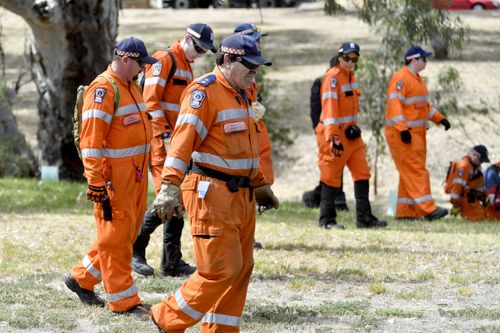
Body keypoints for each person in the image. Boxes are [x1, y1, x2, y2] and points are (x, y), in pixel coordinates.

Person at [148, 33, 279, 332]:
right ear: (229, 60)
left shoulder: (242, 93)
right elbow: (182, 141)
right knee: (220, 270)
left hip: (241, 196)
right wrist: (169, 185)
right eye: (249, 65)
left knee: (242, 268)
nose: (255, 72)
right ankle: (166, 317)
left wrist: (259, 184)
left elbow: (244, 147)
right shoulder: (204, 92)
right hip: (212, 194)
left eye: (257, 66)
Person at [64, 37, 156, 316]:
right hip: (113, 180)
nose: (142, 69)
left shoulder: (131, 86)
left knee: (121, 236)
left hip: (135, 177)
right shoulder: (103, 89)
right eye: (139, 63)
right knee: (116, 240)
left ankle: (81, 278)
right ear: (125, 59)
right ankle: (124, 302)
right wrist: (95, 181)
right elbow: (91, 141)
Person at [132, 23, 217, 278]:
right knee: (167, 197)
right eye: (199, 48)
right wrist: (165, 135)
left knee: (179, 199)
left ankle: (171, 261)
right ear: (187, 39)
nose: (200, 54)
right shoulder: (164, 59)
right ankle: (135, 248)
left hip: (178, 143)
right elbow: (150, 101)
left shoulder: (186, 66)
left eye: (205, 52)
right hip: (163, 142)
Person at [317, 42, 387, 229]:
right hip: (334, 134)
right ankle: (327, 220)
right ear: (340, 58)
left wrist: (352, 127)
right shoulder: (332, 78)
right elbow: (330, 110)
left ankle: (364, 218)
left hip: (351, 134)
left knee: (362, 172)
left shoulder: (351, 76)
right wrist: (334, 138)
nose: (349, 62)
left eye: (354, 59)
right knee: (330, 176)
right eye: (346, 58)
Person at [385, 45, 451, 221]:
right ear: (414, 60)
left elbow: (422, 107)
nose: (426, 61)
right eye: (424, 58)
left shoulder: (417, 80)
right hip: (404, 135)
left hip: (417, 134)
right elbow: (395, 106)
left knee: (410, 172)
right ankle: (428, 210)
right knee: (417, 171)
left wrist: (439, 118)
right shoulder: (401, 79)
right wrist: (402, 129)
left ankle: (406, 211)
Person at [234, 22, 273, 249]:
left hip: (253, 130)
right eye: (255, 39)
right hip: (240, 134)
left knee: (253, 183)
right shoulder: (237, 68)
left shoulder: (252, 68)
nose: (259, 43)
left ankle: (248, 233)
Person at [303, 55, 348, 211]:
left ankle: (334, 198)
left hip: (340, 132)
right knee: (330, 167)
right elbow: (316, 109)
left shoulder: (345, 82)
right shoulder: (322, 82)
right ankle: (325, 198)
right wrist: (320, 131)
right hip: (326, 132)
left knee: (336, 166)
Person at [446, 145, 490, 221]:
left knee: (486, 218)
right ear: (474, 156)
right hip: (466, 201)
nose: (481, 162)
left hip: (473, 200)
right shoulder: (464, 166)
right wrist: (455, 204)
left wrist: (484, 196)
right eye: (481, 160)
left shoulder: (474, 166)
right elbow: (457, 187)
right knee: (480, 220)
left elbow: (477, 184)